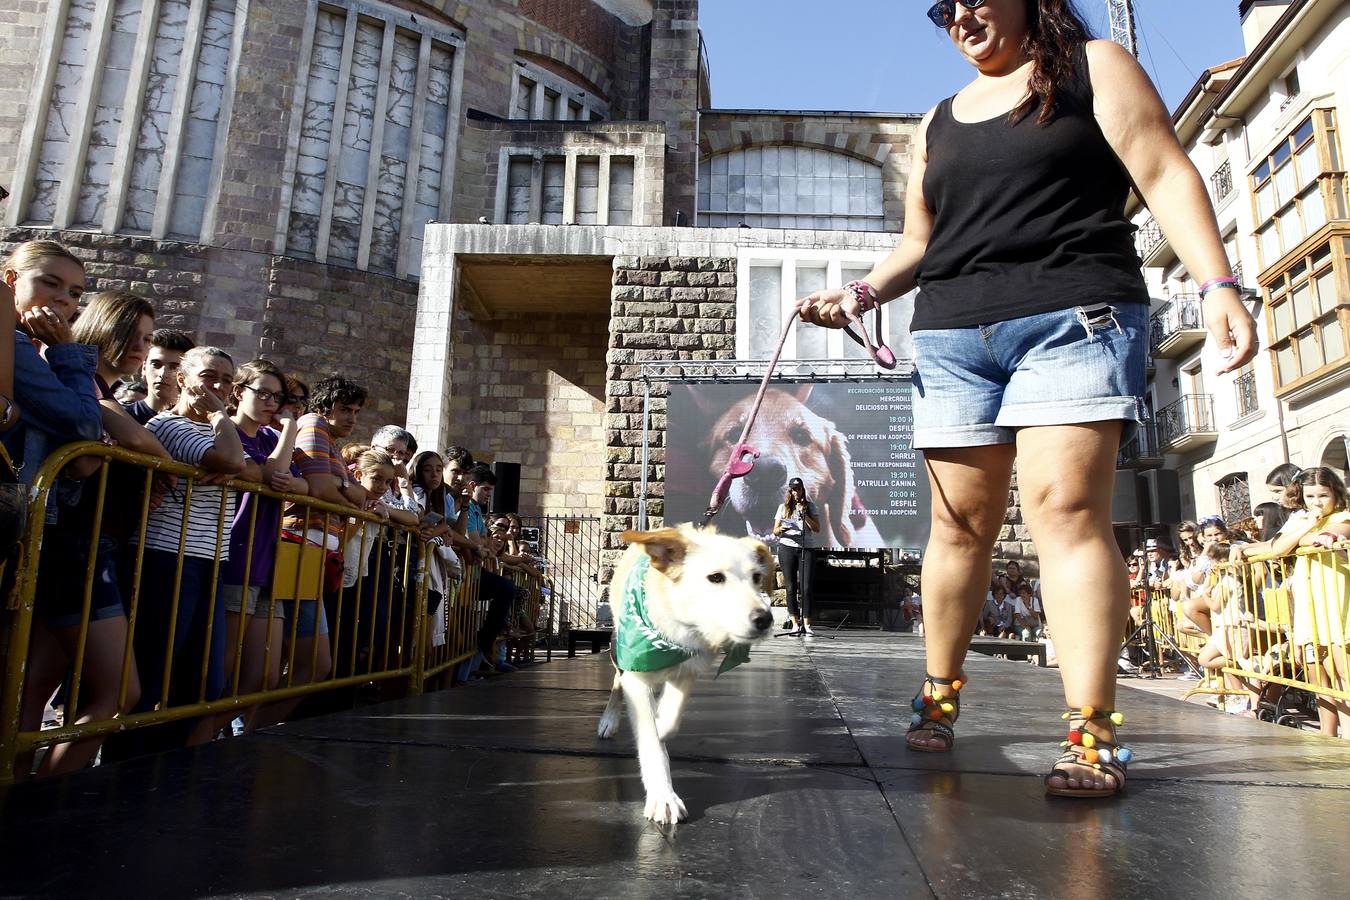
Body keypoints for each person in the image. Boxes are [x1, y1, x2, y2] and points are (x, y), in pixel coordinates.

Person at [795, 0, 1256, 796]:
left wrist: (1216, 282)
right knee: (959, 526)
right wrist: (862, 294)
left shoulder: (1094, 67)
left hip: (1073, 316)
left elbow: (1164, 170)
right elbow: (920, 240)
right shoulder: (937, 119)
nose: (961, 15)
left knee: (1066, 512)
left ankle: (1091, 732)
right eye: (944, 8)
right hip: (951, 334)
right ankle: (938, 697)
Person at [134, 347, 245, 746]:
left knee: (204, 680)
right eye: (209, 377)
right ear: (183, 379)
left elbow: (244, 465)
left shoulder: (218, 432)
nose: (219, 387)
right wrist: (220, 417)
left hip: (207, 559)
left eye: (227, 380)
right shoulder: (169, 425)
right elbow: (234, 462)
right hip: (168, 556)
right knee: (154, 672)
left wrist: (231, 456)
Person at [217, 358, 307, 732]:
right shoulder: (228, 432)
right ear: (239, 393)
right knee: (223, 669)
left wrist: (286, 475)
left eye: (279, 397)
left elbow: (301, 485)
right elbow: (273, 474)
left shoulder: (272, 438)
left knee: (264, 675)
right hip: (238, 555)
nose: (273, 403)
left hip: (268, 562)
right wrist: (290, 426)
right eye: (264, 394)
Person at [1233, 467, 1350, 736]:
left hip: (1336, 606)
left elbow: (1309, 539)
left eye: (1323, 495)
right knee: (1318, 679)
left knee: (1343, 676)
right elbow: (1276, 547)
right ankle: (1328, 736)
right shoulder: (1305, 519)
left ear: (1335, 493)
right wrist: (1242, 548)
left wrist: (1305, 532)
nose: (1317, 502)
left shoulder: (1342, 516)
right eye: (1310, 496)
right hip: (1309, 609)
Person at [3, 240, 101, 485]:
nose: (63, 299)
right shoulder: (12, 343)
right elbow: (85, 423)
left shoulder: (32, 348)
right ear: (12, 281)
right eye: (50, 283)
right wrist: (65, 349)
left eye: (75, 293)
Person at [773, 477, 820, 635]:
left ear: (802, 490)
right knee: (791, 587)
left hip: (806, 548)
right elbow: (775, 531)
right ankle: (795, 623)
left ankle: (807, 624)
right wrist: (783, 529)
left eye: (798, 489)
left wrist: (804, 514)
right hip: (787, 547)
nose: (796, 492)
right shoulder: (783, 508)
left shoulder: (810, 506)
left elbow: (817, 528)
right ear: (790, 491)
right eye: (793, 489)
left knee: (806, 588)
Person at [124, 328, 194, 425]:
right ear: (144, 367)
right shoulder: (120, 417)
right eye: (156, 364)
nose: (163, 374)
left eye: (174, 367)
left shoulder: (199, 426)